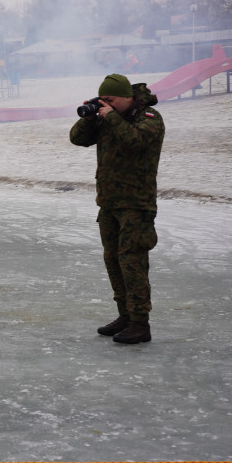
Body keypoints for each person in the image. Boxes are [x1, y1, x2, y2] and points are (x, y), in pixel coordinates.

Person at [70, 73, 164, 345]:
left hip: (136, 205)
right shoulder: (107, 118)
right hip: (109, 203)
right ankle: (124, 316)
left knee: (132, 262)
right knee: (113, 260)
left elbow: (135, 142)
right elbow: (77, 139)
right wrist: (89, 118)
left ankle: (139, 323)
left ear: (128, 97)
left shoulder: (149, 118)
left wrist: (110, 115)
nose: (105, 104)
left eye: (110, 99)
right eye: (103, 99)